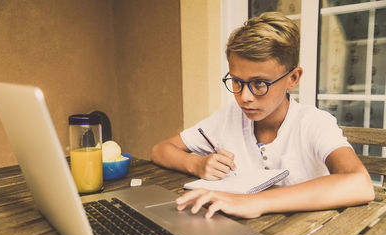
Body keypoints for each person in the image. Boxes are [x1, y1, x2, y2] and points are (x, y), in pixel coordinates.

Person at [151, 12, 375, 219]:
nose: (245, 97)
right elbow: (160, 150)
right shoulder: (227, 119)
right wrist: (196, 164)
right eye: (237, 81)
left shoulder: (313, 123)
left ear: (293, 78)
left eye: (259, 83)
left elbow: (360, 184)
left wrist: (254, 202)